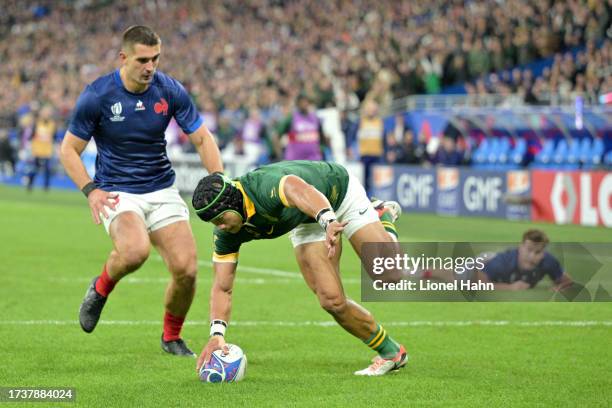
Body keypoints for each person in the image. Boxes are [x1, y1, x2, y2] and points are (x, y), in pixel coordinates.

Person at [59, 26, 223, 356]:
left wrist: (219, 180)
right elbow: (68, 150)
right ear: (124, 58)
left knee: (187, 270)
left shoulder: (169, 90)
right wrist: (91, 191)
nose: (150, 67)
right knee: (134, 252)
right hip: (118, 191)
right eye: (143, 60)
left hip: (161, 189)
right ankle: (101, 288)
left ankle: (171, 337)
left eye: (156, 59)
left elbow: (203, 138)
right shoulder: (98, 95)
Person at [191, 160, 407, 376]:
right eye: (213, 222)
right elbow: (222, 286)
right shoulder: (226, 234)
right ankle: (391, 353)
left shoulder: (262, 186)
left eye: (220, 219)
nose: (219, 226)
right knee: (331, 300)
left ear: (233, 202)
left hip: (335, 193)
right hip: (305, 220)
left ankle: (382, 213)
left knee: (390, 275)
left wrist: (328, 220)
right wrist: (216, 334)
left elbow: (298, 189)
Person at [424, 229, 573, 291]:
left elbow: (566, 281)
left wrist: (558, 288)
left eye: (538, 252)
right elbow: (480, 283)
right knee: (460, 278)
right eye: (528, 250)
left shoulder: (549, 262)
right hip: (486, 261)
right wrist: (511, 288)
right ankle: (426, 272)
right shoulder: (502, 264)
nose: (532, 256)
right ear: (520, 247)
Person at [276, 93, 327, 161]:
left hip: (313, 159)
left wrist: (321, 148)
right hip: (295, 160)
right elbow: (276, 136)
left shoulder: (315, 118)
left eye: (305, 101)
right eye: (301, 102)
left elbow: (322, 136)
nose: (304, 104)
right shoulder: (291, 118)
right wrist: (279, 154)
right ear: (297, 104)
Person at [27, 105, 57, 191]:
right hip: (37, 150)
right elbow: (31, 136)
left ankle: (46, 187)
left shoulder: (52, 124)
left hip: (47, 150)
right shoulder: (36, 123)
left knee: (47, 169)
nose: (46, 114)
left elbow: (54, 137)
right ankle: (30, 184)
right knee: (34, 168)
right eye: (45, 112)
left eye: (48, 113)